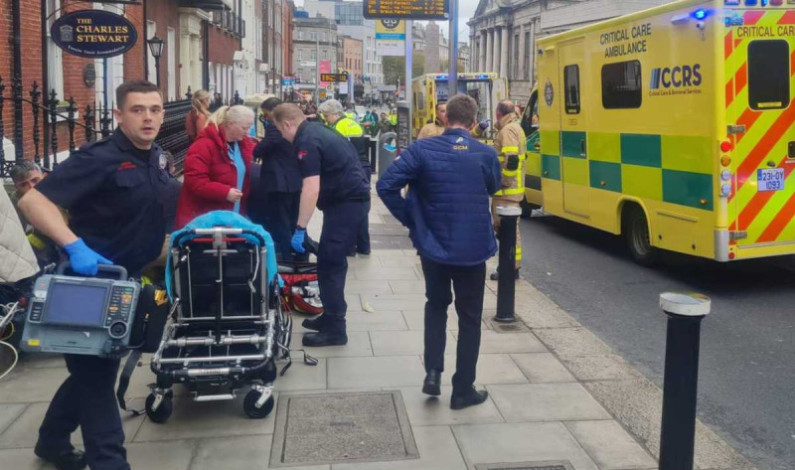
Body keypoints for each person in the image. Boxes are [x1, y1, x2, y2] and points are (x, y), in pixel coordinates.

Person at [17, 79, 170, 470]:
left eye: (154, 109)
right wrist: (74, 245)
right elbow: (33, 201)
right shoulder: (99, 157)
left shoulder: (154, 157)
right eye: (138, 110)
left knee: (94, 368)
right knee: (98, 380)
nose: (148, 117)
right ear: (119, 115)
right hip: (88, 287)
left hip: (127, 282)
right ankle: (110, 462)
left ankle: (52, 441)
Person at [376, 94, 501, 410]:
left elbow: (385, 185)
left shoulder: (421, 149)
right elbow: (492, 187)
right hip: (472, 249)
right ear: (474, 122)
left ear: (445, 119)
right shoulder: (485, 154)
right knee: (470, 318)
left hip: (433, 247)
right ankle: (463, 390)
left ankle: (433, 372)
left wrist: (413, 220)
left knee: (436, 305)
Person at [272, 103, 369, 347]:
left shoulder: (306, 140)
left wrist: (301, 228)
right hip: (346, 202)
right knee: (328, 260)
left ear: (286, 124)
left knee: (331, 264)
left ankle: (336, 329)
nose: (282, 137)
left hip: (347, 203)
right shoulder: (317, 130)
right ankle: (329, 317)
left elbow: (311, 187)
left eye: (280, 131)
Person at [175, 105, 255, 229]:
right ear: (230, 124)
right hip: (206, 217)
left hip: (233, 214)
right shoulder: (203, 145)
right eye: (245, 127)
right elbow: (195, 181)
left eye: (250, 127)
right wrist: (225, 192)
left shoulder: (242, 145)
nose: (248, 132)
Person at [318, 99, 371, 256]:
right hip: (360, 167)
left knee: (350, 208)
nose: (325, 119)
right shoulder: (347, 123)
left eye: (326, 116)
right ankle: (362, 245)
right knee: (359, 209)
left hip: (353, 168)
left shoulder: (341, 126)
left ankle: (353, 246)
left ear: (335, 114)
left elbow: (339, 150)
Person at [252, 98, 303, 261]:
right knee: (295, 220)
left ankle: (287, 256)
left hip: (280, 183)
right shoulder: (293, 125)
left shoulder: (275, 126)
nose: (265, 117)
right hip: (294, 181)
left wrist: (256, 147)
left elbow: (261, 149)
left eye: (266, 114)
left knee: (281, 222)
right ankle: (300, 254)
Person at [489, 99, 527, 281]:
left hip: (506, 192)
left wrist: (502, 182)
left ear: (498, 112)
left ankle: (509, 268)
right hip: (510, 192)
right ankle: (511, 267)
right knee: (507, 231)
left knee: (508, 231)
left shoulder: (508, 130)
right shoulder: (514, 127)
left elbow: (511, 160)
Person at [10, 161, 62, 268]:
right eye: (23, 184)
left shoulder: (61, 190)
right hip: (40, 244)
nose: (31, 187)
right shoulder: (15, 201)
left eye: (35, 180)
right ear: (16, 187)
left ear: (44, 176)